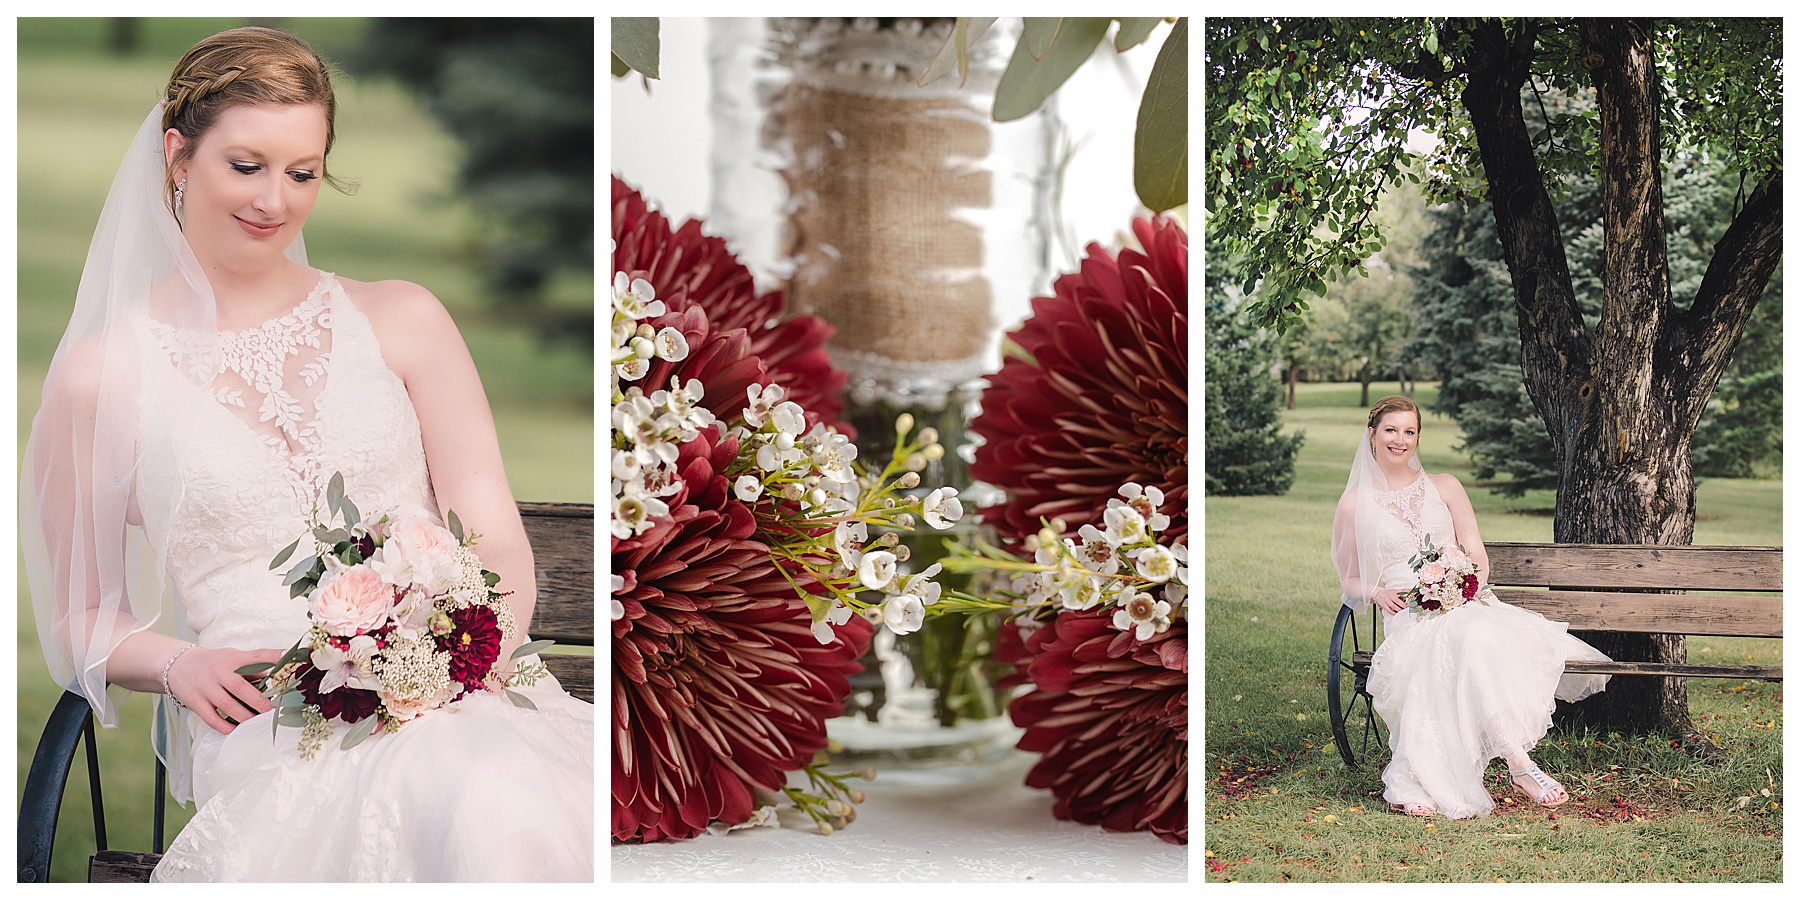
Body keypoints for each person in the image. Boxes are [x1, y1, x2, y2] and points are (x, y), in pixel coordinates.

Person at [21, 27, 594, 881]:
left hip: (464, 691)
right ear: (178, 157)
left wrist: (454, 666)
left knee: (491, 785)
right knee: (474, 797)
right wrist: (179, 663)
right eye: (245, 166)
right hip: (273, 718)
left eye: (302, 173)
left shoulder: (403, 318)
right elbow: (80, 620)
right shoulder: (104, 376)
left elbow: (494, 531)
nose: (274, 202)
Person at [1329, 395, 1611, 819]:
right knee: (1459, 637)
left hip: (1465, 601)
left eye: (1409, 431)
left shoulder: (1445, 486)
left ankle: (1518, 764)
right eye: (1391, 430)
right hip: (1409, 612)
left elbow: (1474, 547)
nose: (1400, 440)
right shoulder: (1354, 504)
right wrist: (1374, 593)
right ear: (1372, 435)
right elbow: (1349, 577)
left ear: (1418, 437)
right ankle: (1521, 766)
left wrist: (1465, 582)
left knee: (1471, 632)